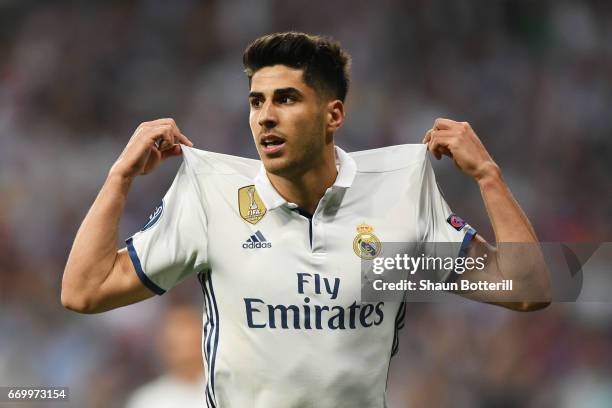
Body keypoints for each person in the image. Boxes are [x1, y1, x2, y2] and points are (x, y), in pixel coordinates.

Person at [62, 31, 551, 407]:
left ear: (333, 115)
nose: (265, 116)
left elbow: (527, 289)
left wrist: (487, 175)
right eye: (257, 101)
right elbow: (83, 291)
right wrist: (119, 177)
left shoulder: (397, 192)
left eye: (286, 99)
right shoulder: (212, 194)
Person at [125, 304, 206, 408]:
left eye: (191, 344)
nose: (185, 355)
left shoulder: (225, 387)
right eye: (176, 346)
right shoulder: (148, 400)